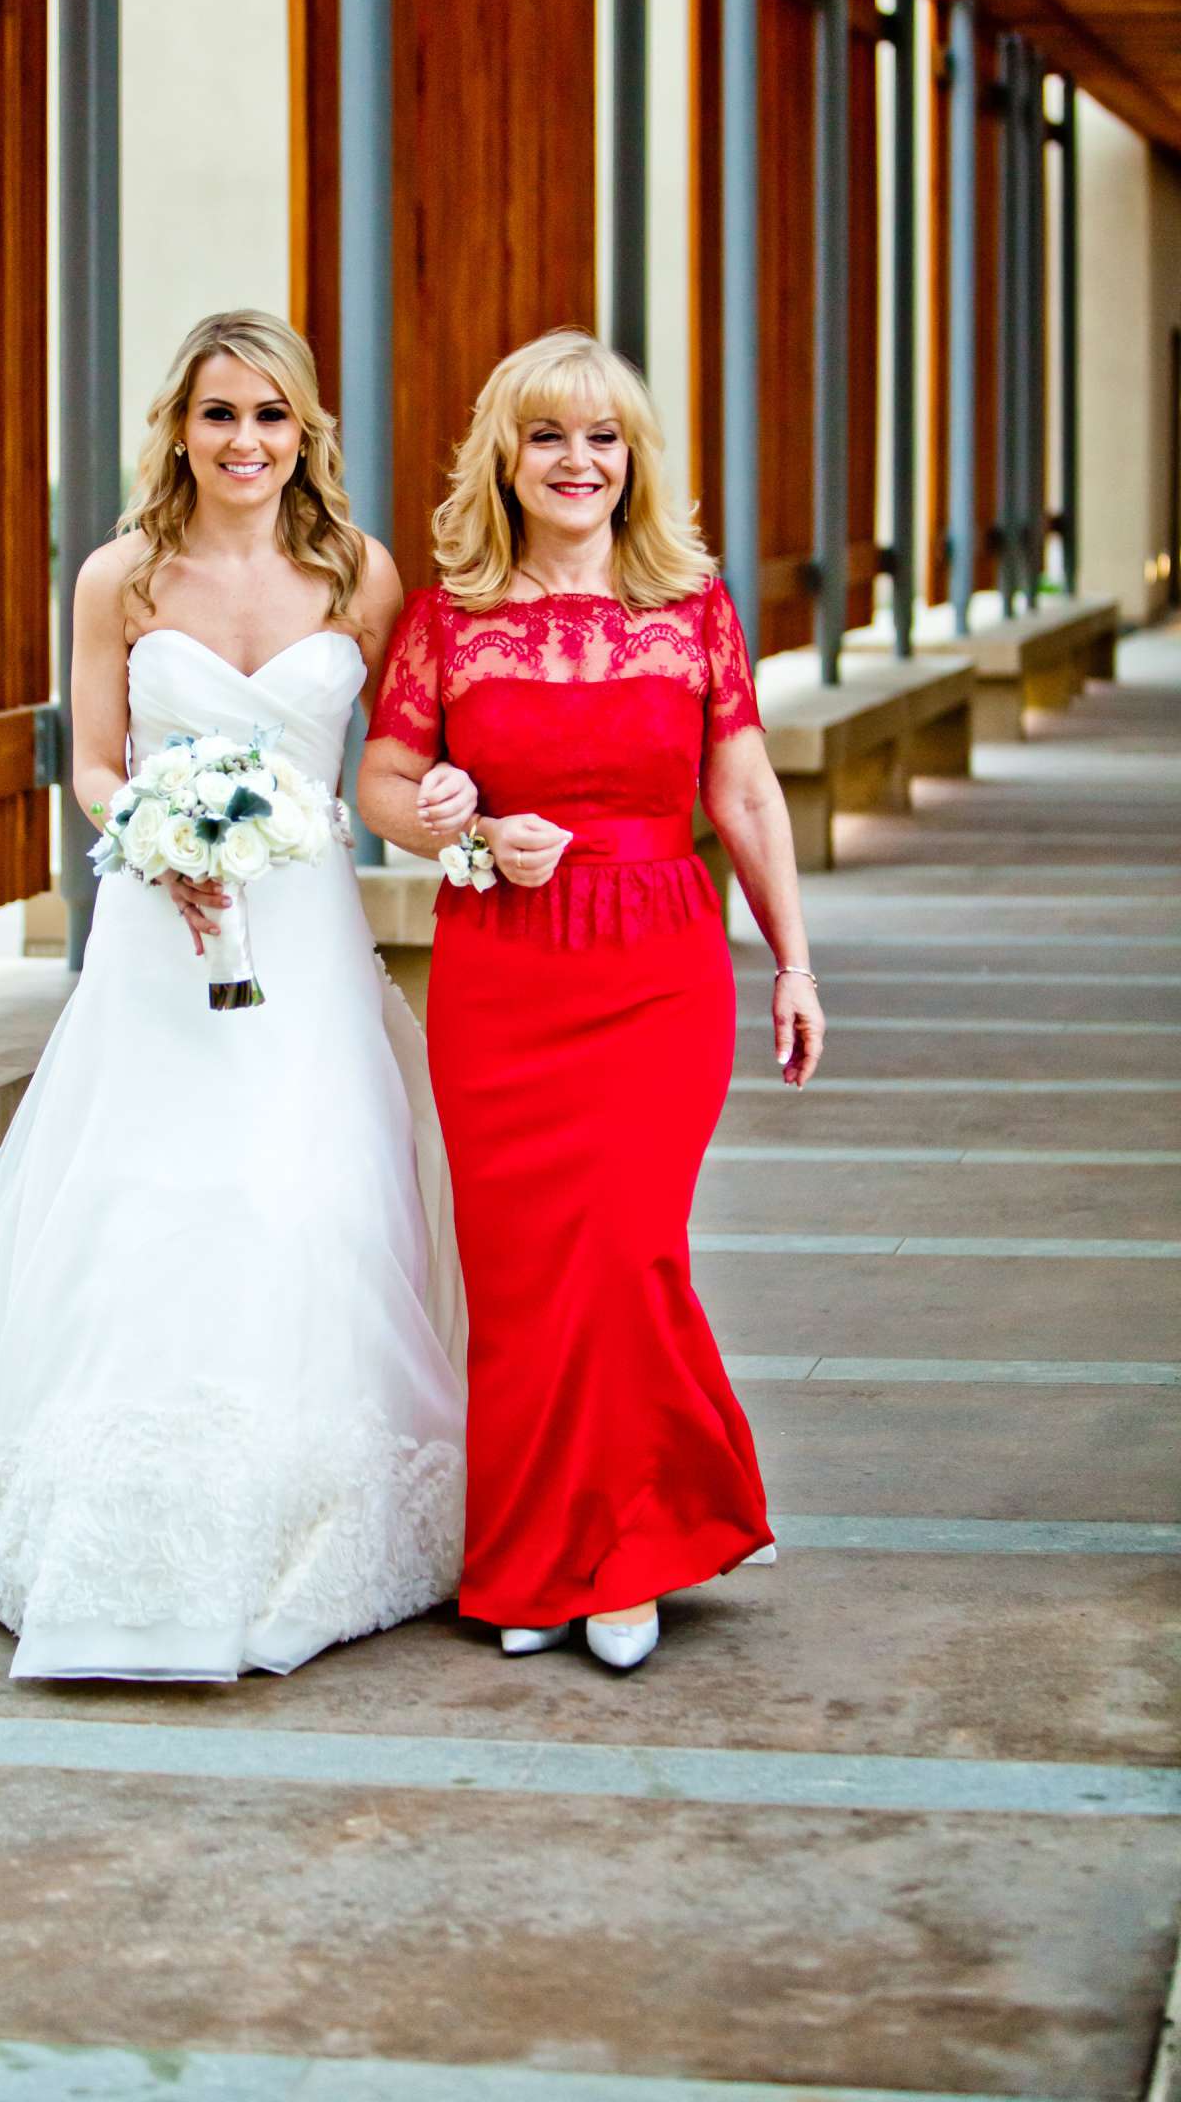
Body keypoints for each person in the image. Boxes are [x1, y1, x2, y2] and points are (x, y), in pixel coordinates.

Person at [0, 310, 466, 1680]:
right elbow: (93, 762)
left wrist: (463, 808)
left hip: (302, 937)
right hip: (160, 935)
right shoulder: (120, 576)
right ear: (179, 428)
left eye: (269, 415)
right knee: (150, 1191)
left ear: (306, 430)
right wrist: (157, 836)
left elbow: (406, 749)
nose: (244, 441)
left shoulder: (361, 576)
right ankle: (118, 1520)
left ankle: (302, 1505)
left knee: (305, 1191)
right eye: (218, 414)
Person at [357, 328, 824, 1672]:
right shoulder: (452, 611)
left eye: (603, 436)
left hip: (658, 962)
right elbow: (384, 786)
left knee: (627, 1252)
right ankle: (531, 1563)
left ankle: (627, 1558)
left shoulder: (693, 604)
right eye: (549, 435)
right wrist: (457, 829)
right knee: (523, 1282)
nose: (578, 461)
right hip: (503, 971)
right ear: (507, 455)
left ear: (635, 458)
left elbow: (741, 793)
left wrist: (793, 961)